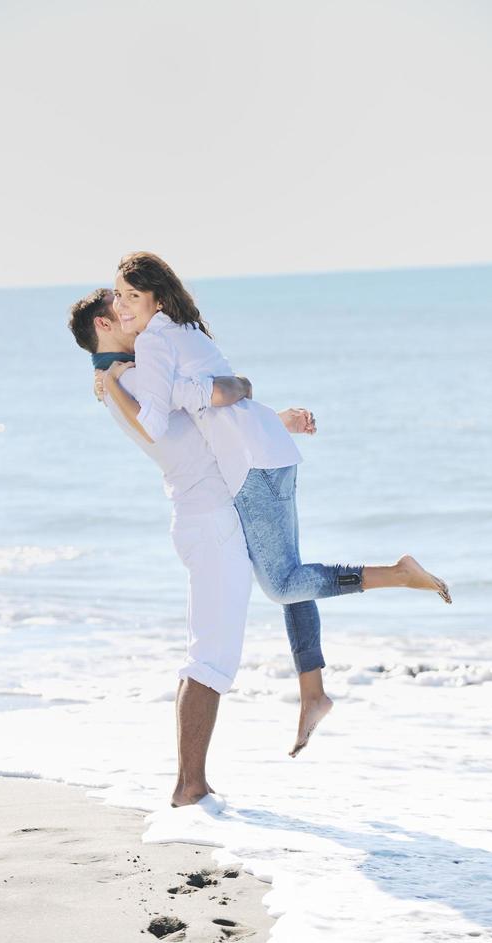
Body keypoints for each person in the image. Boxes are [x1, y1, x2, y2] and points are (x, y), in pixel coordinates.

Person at [103, 252, 452, 761]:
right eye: (119, 295)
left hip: (251, 469)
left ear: (157, 297)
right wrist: (257, 407)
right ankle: (313, 692)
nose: (124, 304)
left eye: (133, 295)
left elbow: (161, 418)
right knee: (293, 574)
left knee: (283, 583)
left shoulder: (157, 338)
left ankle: (398, 574)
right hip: (270, 455)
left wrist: (115, 382)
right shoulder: (186, 330)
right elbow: (225, 397)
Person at [68, 288, 315, 809]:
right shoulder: (130, 379)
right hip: (210, 522)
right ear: (103, 325)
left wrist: (272, 418)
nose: (133, 313)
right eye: (122, 309)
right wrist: (242, 386)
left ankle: (194, 780)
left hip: (205, 518)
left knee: (221, 643)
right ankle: (189, 786)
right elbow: (215, 394)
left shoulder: (121, 379)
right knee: (211, 659)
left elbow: (204, 421)